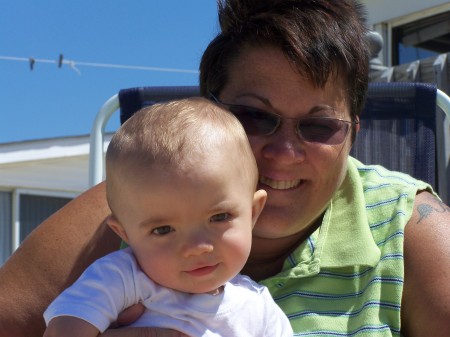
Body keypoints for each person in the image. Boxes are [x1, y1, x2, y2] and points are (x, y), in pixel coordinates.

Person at [1, 0, 449, 336]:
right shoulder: (138, 206)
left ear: (353, 133)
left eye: (318, 125)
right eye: (254, 116)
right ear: (208, 111)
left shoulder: (405, 227)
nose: (285, 151)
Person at [42, 98, 293, 337]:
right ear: (125, 234)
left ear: (252, 212)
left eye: (219, 217)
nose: (196, 248)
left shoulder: (259, 309)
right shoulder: (122, 277)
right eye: (163, 230)